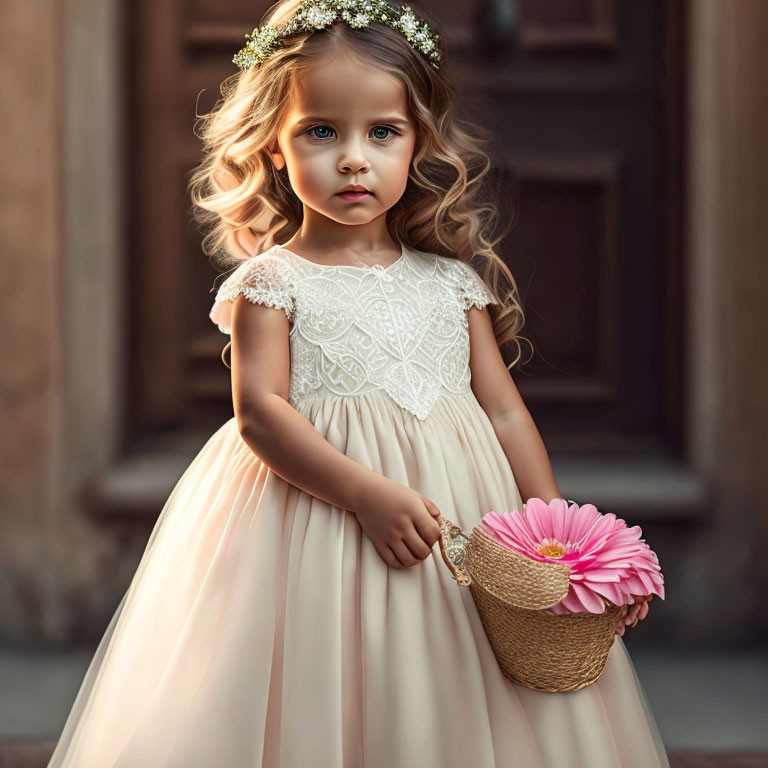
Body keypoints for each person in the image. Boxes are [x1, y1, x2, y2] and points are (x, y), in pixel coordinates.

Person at [48, 0, 667, 765]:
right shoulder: (272, 282)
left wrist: (554, 534)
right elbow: (262, 414)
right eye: (320, 132)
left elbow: (503, 411)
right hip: (316, 522)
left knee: (462, 688)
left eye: (382, 132)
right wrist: (365, 494)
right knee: (332, 674)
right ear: (274, 148)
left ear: (417, 143)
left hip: (460, 518)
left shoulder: (452, 283)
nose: (352, 158)